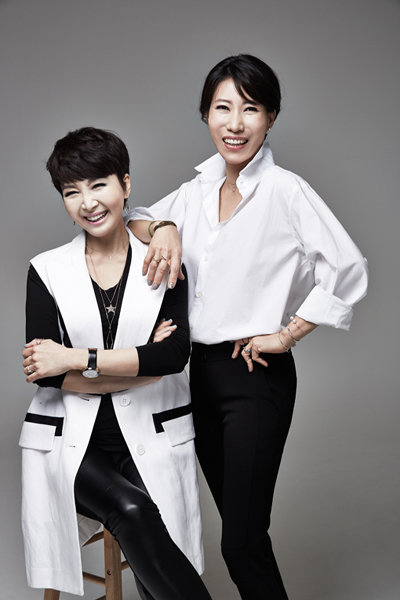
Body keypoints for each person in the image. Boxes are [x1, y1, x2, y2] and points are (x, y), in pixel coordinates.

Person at [127, 54, 369, 599]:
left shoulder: (286, 190)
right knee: (243, 541)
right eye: (223, 108)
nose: (235, 123)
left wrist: (287, 334)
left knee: (240, 542)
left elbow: (348, 268)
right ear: (206, 114)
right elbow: (131, 216)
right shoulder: (194, 192)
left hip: (255, 375)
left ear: (271, 117)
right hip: (196, 377)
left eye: (251, 108)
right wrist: (164, 226)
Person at [20, 127, 212, 600]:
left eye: (98, 184)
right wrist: (141, 364)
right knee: (133, 511)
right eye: (72, 192)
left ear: (125, 184)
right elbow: (46, 374)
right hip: (72, 445)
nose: (88, 202)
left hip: (150, 432)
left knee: (154, 538)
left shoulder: (164, 258)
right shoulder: (46, 270)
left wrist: (76, 359)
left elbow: (173, 356)